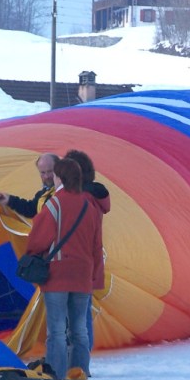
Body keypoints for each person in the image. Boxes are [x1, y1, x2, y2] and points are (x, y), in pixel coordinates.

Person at [25, 158, 102, 380]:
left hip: (58, 275)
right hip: (83, 276)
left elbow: (38, 240)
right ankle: (80, 373)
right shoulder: (89, 206)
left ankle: (57, 376)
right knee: (80, 330)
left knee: (57, 331)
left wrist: (32, 255)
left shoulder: (54, 204)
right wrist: (93, 274)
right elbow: (97, 245)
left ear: (60, 177)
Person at [65, 149, 110, 350]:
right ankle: (81, 361)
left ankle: (78, 362)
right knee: (81, 314)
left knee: (75, 317)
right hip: (89, 262)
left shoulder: (80, 198)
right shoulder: (95, 197)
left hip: (74, 262)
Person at [0, 153, 60, 217]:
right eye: (43, 172)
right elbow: (31, 209)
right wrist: (9, 200)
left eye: (50, 171)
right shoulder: (43, 193)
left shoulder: (65, 191)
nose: (46, 176)